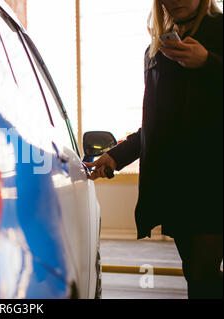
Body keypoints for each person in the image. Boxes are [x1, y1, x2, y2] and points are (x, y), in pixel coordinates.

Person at [85, 0, 223, 299]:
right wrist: (116, 155)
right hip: (181, 184)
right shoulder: (156, 51)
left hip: (215, 178)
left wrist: (208, 61)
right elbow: (157, 124)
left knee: (202, 272)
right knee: (198, 273)